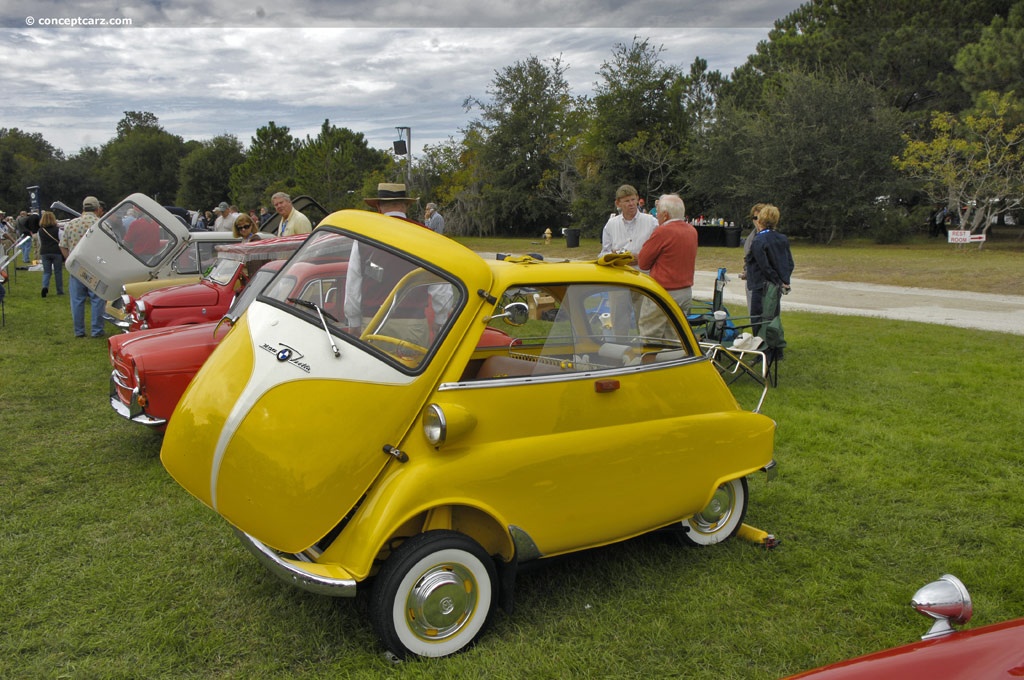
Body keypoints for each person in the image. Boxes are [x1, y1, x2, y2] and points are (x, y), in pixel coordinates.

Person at [344, 183, 444, 344]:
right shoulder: (426, 236)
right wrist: (441, 319)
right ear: (405, 206)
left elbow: (353, 284)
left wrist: (353, 322)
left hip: (372, 323)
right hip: (412, 324)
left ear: (378, 206)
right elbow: (440, 285)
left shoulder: (363, 237)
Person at [636, 194, 698, 338]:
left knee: (650, 336)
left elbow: (643, 263)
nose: (656, 216)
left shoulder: (663, 231)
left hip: (664, 291)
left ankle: (649, 360)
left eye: (657, 212)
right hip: (684, 291)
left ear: (665, 215)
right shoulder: (691, 231)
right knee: (676, 336)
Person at [60, 196, 108, 338]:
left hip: (76, 267)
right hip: (96, 267)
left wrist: (69, 260)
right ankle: (97, 330)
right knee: (97, 299)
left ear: (83, 208)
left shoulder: (71, 224)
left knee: (77, 300)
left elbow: (62, 245)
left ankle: (79, 330)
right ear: (98, 209)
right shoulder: (102, 224)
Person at [744, 204, 794, 334]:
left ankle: (762, 348)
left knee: (758, 318)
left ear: (760, 220)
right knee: (773, 317)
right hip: (775, 287)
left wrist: (777, 280)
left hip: (761, 286)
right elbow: (789, 263)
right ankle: (776, 348)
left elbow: (764, 266)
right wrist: (784, 281)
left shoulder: (758, 240)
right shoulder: (782, 238)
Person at [598, 184, 658, 263]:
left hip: (644, 273)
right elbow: (604, 253)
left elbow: (659, 251)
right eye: (627, 201)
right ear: (618, 203)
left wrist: (642, 258)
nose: (631, 204)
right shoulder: (611, 224)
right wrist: (613, 256)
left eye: (633, 199)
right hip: (620, 272)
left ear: (637, 199)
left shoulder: (652, 222)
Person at [738, 203, 765, 311]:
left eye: (760, 218)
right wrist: (746, 271)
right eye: (754, 218)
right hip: (752, 282)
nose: (757, 221)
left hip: (766, 285)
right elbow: (747, 259)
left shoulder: (772, 238)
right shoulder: (750, 238)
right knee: (753, 316)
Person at [37, 210, 64, 297]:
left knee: (47, 272)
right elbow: (62, 241)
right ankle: (59, 290)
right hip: (56, 252)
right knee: (58, 272)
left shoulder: (40, 230)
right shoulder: (58, 230)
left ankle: (45, 286)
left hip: (44, 252)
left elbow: (40, 242)